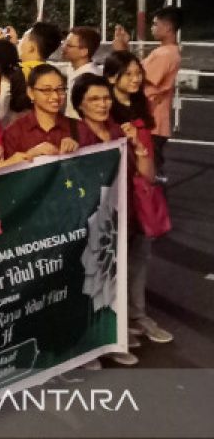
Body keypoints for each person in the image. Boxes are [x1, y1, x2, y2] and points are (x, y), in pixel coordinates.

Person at [70, 72, 153, 368]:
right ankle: (87, 346)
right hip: (90, 222)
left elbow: (146, 174)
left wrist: (138, 146)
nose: (102, 104)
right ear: (79, 104)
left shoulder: (120, 131)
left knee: (116, 283)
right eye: (93, 99)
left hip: (122, 217)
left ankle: (111, 340)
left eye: (105, 97)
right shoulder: (75, 134)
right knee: (89, 285)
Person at [104, 50, 174, 346]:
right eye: (128, 74)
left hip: (141, 194)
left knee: (140, 257)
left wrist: (143, 158)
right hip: (114, 195)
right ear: (111, 78)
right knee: (111, 259)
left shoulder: (141, 106)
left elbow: (149, 160)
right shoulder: (103, 110)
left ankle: (138, 315)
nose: (135, 79)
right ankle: (114, 321)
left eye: (137, 74)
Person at [114, 6, 182, 167]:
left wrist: (121, 52)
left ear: (168, 27)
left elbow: (136, 77)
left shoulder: (165, 54)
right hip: (151, 121)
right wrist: (124, 50)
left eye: (155, 24)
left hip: (152, 122)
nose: (152, 28)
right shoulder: (165, 52)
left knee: (148, 170)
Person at [3, 65, 79, 157]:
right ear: (31, 93)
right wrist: (29, 156)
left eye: (60, 89)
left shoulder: (79, 128)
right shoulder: (13, 133)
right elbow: (8, 168)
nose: (55, 96)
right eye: (47, 90)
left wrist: (78, 152)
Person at [61, 26, 101, 119]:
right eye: (64, 43)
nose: (63, 47)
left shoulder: (91, 77)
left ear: (84, 52)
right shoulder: (72, 68)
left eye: (69, 45)